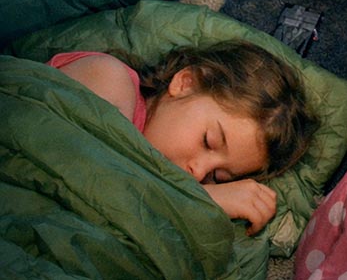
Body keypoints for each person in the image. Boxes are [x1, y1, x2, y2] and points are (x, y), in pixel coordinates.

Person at [51, 41, 318, 235]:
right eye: (208, 141)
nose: (198, 172)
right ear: (186, 82)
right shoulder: (109, 76)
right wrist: (202, 199)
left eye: (217, 178)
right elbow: (91, 175)